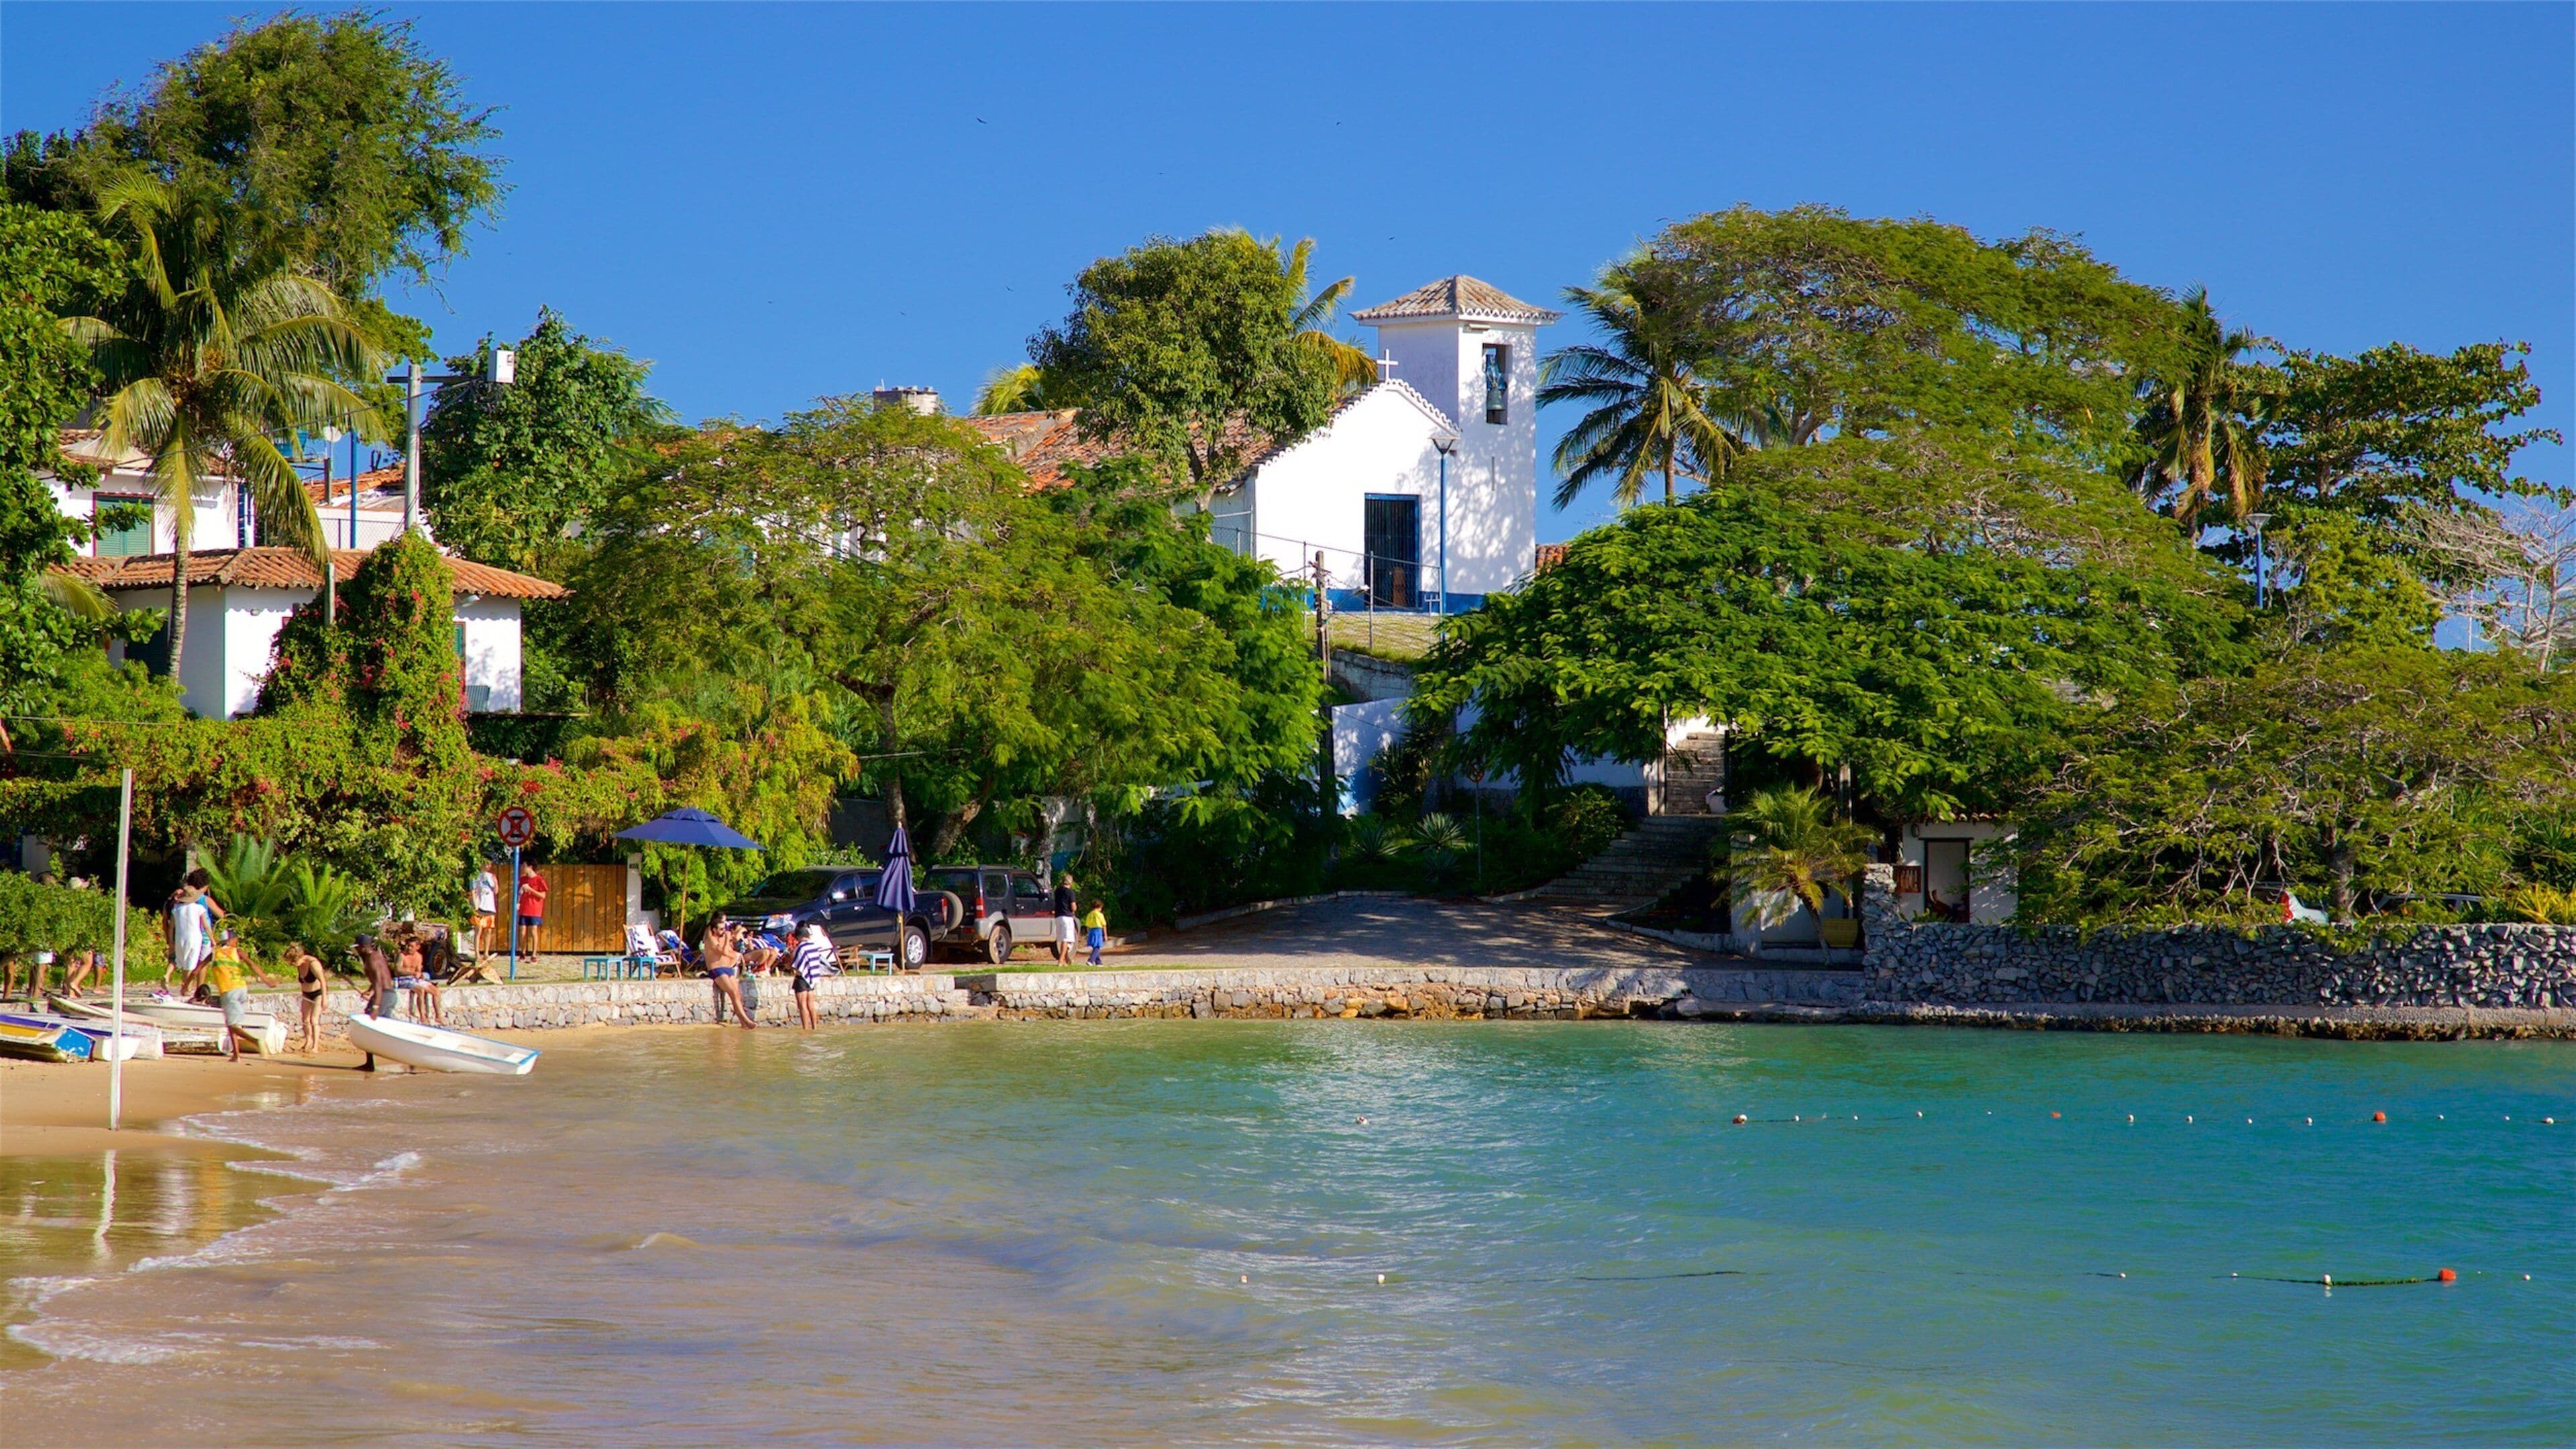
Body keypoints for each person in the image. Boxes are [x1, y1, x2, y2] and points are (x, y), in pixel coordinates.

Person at [204, 930, 278, 1063]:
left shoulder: (214, 954)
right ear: (230, 941)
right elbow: (252, 965)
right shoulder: (238, 952)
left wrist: (186, 984)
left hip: (228, 990)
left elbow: (198, 969)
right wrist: (267, 980)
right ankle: (236, 1055)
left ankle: (256, 1041)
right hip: (242, 989)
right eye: (235, 940)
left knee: (233, 1025)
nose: (236, 942)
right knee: (233, 1024)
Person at [352, 933, 396, 1071]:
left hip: (384, 996)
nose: (357, 951)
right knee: (386, 1028)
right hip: (389, 995)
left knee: (368, 1026)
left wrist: (375, 1006)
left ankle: (370, 1064)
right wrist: (369, 991)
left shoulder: (371, 959)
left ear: (364, 947)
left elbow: (378, 983)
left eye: (358, 948)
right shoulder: (376, 957)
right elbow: (380, 979)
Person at [703, 920, 756, 1030]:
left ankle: (743, 1023)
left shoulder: (723, 938)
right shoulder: (711, 940)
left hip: (727, 968)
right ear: (714, 930)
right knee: (732, 992)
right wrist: (727, 940)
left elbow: (733, 944)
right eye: (721, 929)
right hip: (717, 969)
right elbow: (723, 952)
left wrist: (740, 932)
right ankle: (746, 1019)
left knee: (737, 994)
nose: (724, 931)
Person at [788, 922, 835, 1031]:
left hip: (801, 979)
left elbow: (796, 965)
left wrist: (790, 958)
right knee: (811, 1005)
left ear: (798, 937)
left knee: (802, 1006)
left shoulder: (800, 948)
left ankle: (805, 1029)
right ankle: (815, 1028)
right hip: (812, 978)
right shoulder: (814, 947)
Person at [290, 945, 328, 1055]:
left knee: (314, 1020)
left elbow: (323, 981)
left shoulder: (313, 964)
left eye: (293, 962)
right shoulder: (300, 965)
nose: (293, 965)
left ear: (299, 958)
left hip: (318, 994)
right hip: (306, 994)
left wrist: (325, 999)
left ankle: (315, 1046)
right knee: (305, 1020)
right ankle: (308, 1041)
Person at [515, 863, 549, 959]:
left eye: (524, 866)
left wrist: (531, 890)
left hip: (535, 909)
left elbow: (543, 896)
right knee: (522, 931)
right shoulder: (522, 880)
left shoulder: (539, 880)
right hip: (524, 909)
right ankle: (523, 953)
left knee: (534, 930)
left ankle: (534, 955)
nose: (522, 868)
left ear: (530, 867)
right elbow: (519, 894)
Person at [470, 862, 500, 955]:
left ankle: (486, 953)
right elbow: (473, 891)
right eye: (487, 864)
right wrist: (475, 905)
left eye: (490, 864)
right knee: (478, 930)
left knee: (489, 931)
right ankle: (477, 953)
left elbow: (496, 891)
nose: (489, 866)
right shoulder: (475, 876)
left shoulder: (491, 876)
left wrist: (495, 882)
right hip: (480, 906)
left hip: (490, 906)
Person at [1051, 872, 1079, 966]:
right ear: (1070, 883)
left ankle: (1067, 959)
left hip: (1058, 917)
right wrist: (1075, 908)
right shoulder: (1070, 892)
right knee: (1066, 940)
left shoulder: (1058, 891)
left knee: (1062, 939)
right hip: (1067, 917)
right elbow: (1073, 907)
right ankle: (1061, 960)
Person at [1081, 899, 1108, 967]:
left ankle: (1098, 962)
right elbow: (1104, 924)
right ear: (1099, 907)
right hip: (1098, 931)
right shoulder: (1100, 915)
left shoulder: (1090, 914)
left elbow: (1087, 925)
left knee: (1095, 946)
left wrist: (1088, 933)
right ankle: (1091, 960)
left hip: (1091, 931)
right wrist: (1105, 935)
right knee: (1098, 946)